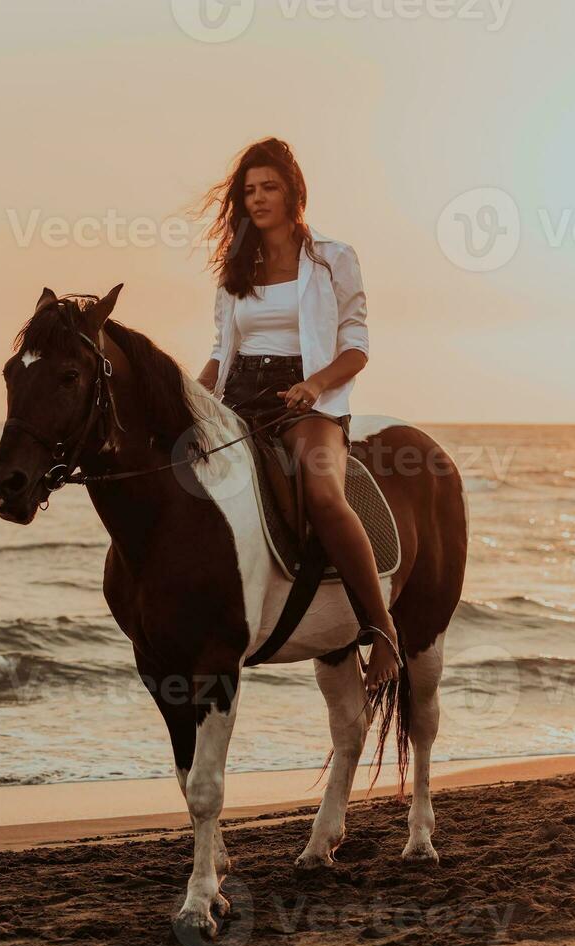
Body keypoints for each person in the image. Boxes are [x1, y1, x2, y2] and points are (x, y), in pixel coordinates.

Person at [195, 137, 400, 695]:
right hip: (239, 395)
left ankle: (380, 630)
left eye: (270, 188)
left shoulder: (333, 258)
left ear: (293, 193)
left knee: (323, 493)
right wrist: (192, 396)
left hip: (308, 400)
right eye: (250, 191)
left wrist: (314, 386)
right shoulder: (234, 267)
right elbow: (221, 352)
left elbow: (356, 346)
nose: (258, 199)